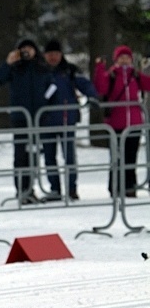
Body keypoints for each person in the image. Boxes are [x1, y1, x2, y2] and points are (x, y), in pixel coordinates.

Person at [0, 39, 55, 204]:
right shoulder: (15, 68)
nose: (27, 52)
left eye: (30, 48)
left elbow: (52, 87)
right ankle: (21, 190)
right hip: (20, 119)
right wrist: (8, 62)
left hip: (38, 118)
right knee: (21, 155)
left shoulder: (42, 67)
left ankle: (31, 188)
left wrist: (47, 106)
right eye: (23, 49)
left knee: (34, 155)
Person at [40, 39, 98, 202]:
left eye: (56, 54)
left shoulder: (70, 70)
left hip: (67, 120)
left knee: (69, 157)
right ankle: (55, 189)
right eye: (50, 54)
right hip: (46, 121)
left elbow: (84, 84)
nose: (53, 57)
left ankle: (72, 188)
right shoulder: (40, 71)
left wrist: (92, 96)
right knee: (49, 157)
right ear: (45, 55)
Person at [93, 45, 150, 197]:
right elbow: (101, 88)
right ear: (116, 59)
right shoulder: (111, 75)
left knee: (131, 157)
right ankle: (116, 186)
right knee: (117, 157)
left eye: (127, 57)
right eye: (121, 57)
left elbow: (148, 83)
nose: (124, 60)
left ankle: (130, 187)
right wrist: (99, 68)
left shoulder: (135, 75)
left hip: (134, 123)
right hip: (116, 123)